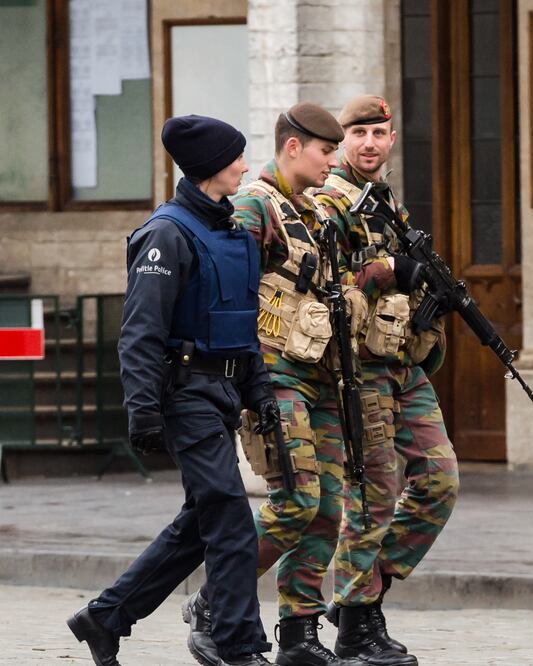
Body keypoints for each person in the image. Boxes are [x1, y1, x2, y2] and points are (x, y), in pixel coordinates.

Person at [66, 115, 275, 666]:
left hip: (225, 393)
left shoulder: (233, 232)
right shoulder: (166, 234)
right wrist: (143, 413)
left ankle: (106, 617)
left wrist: (262, 393)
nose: (246, 167)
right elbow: (139, 333)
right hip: (185, 394)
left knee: (201, 521)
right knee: (230, 516)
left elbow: (242, 322)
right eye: (236, 159)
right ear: (209, 167)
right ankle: (236, 642)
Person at [180, 104, 359, 666]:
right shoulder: (258, 206)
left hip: (321, 377)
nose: (334, 160)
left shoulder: (313, 212)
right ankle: (215, 601)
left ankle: (300, 632)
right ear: (292, 148)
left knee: (328, 506)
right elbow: (229, 286)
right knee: (297, 500)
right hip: (274, 378)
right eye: (326, 151)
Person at [311, 94, 459, 666]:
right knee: (371, 496)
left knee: (439, 481)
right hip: (357, 370)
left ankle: (357, 597)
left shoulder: (387, 203)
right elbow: (320, 276)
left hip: (402, 364)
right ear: (343, 140)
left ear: (392, 139)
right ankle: (357, 623)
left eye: (379, 132)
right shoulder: (329, 200)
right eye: (358, 134)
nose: (369, 143)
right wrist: (387, 271)